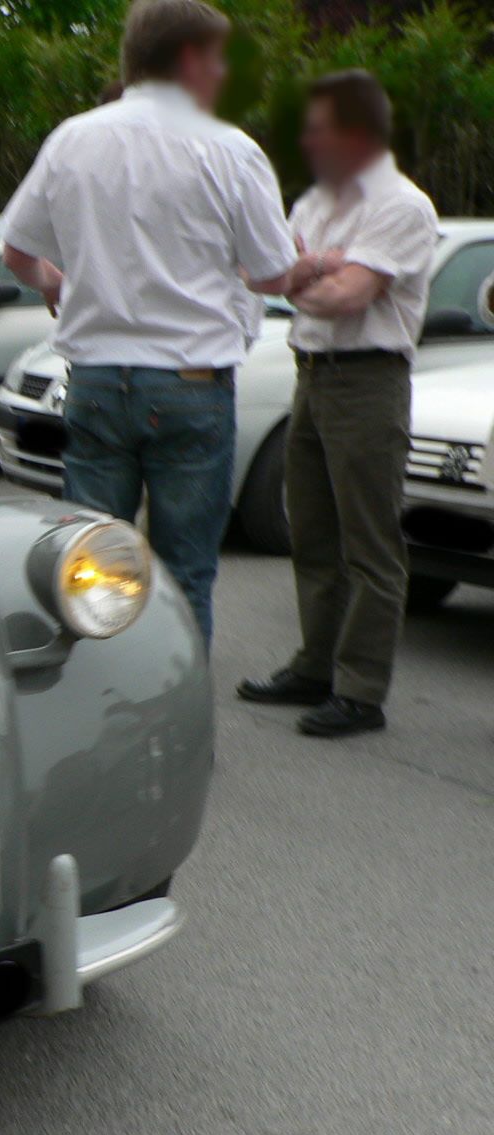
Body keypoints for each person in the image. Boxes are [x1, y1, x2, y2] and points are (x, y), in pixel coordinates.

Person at [0, 0, 319, 644]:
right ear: (190, 59)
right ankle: (176, 729)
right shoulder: (230, 148)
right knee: (185, 575)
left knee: (87, 567)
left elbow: (16, 251)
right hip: (190, 385)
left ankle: (97, 718)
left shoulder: (74, 138)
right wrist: (308, 266)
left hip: (94, 381)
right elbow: (269, 275)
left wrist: (53, 281)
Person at [238, 71, 438, 737]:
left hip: (368, 381)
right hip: (313, 374)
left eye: (320, 125)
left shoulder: (401, 206)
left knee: (370, 544)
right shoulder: (317, 201)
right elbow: (270, 277)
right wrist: (323, 267)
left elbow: (344, 297)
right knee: (314, 534)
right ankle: (316, 666)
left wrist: (312, 273)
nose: (309, 138)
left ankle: (360, 690)